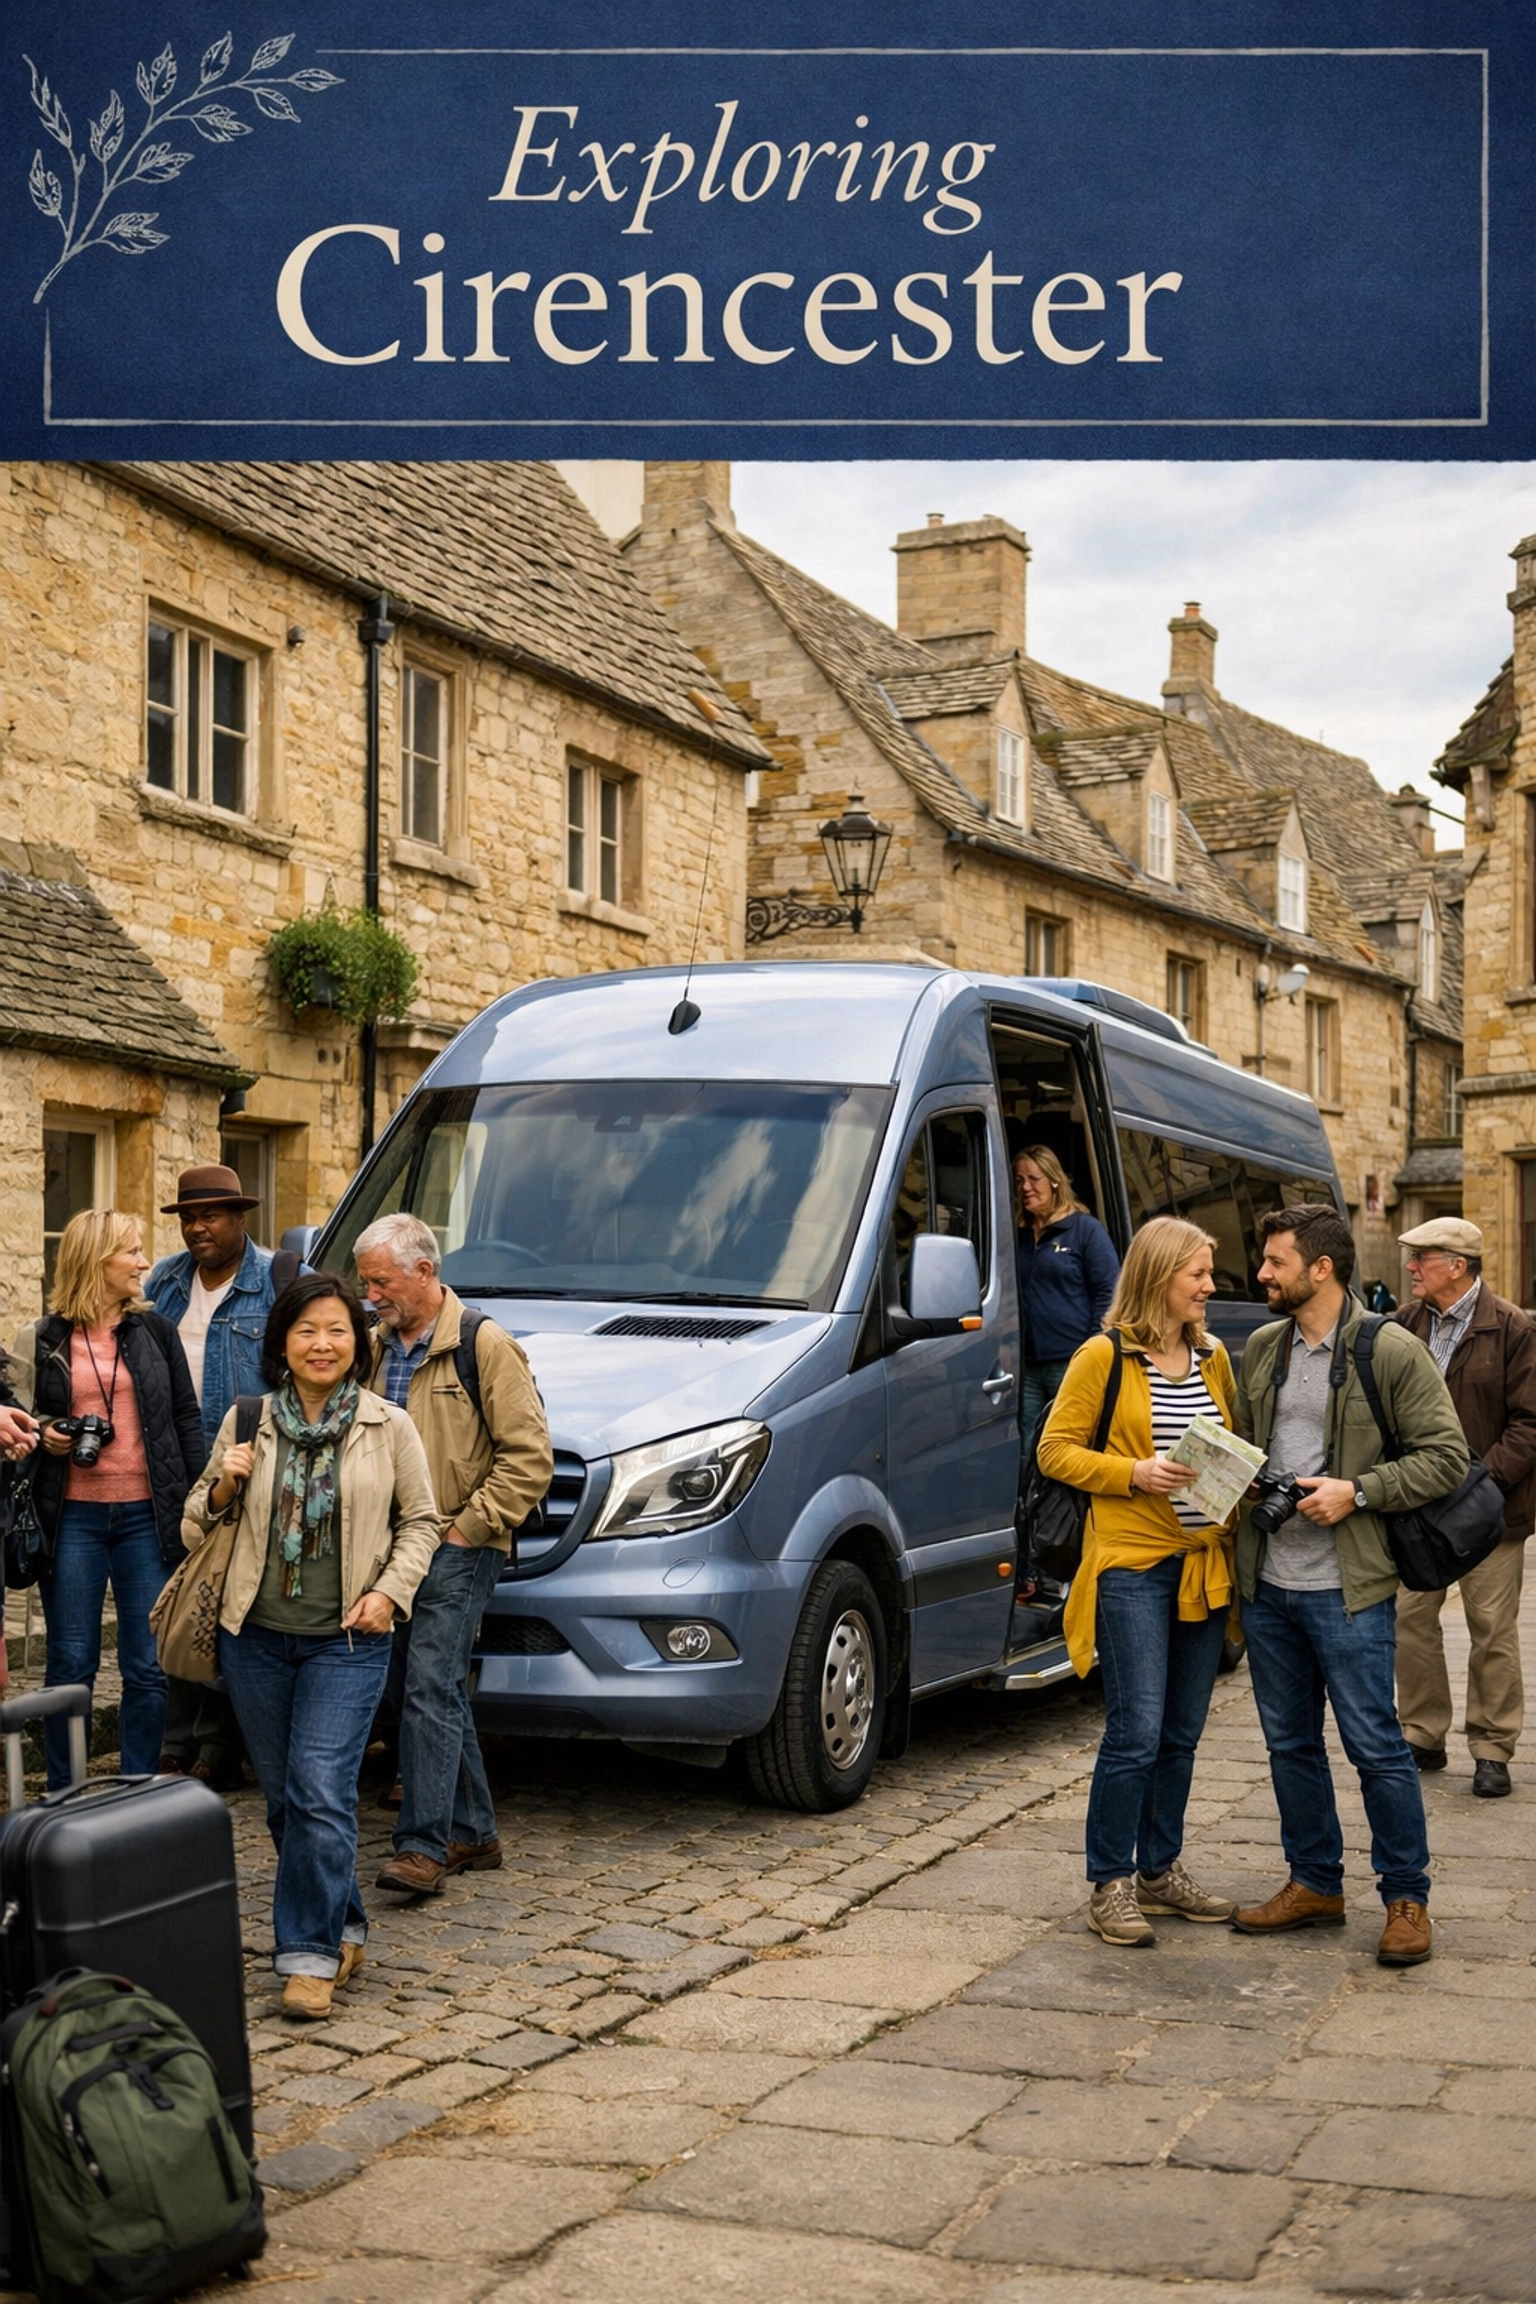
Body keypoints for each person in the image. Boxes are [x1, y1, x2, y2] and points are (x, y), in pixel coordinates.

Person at [182, 1273, 438, 2021]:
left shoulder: (389, 1426)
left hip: (348, 1644)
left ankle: (307, 1957)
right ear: (281, 1344)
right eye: (306, 1331)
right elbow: (195, 1526)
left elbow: (421, 1521)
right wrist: (223, 1487)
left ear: (358, 1344)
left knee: (322, 1791)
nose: (322, 1344)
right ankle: (344, 1921)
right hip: (254, 1640)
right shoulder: (247, 1419)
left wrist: (389, 1593)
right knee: (289, 1808)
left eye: (337, 1330)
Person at [1232, 1203, 1468, 1967]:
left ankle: (1406, 1897)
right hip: (1270, 1585)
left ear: (1321, 1268)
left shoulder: (1390, 1349)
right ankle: (1314, 1883)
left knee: (1375, 1746)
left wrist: (1356, 1491)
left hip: (1350, 1587)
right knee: (1289, 1744)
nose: (1262, 1274)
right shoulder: (1264, 1347)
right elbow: (1245, 1448)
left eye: (1275, 1262)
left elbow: (1446, 1457)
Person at [1037, 1215, 1240, 1948]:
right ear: (1160, 1277)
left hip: (1202, 1564)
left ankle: (1160, 1871)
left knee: (1181, 1734)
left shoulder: (1214, 1356)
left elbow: (1225, 1442)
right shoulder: (1104, 1356)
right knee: (1136, 1731)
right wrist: (1133, 1473)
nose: (1211, 1287)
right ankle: (1109, 1883)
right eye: (1199, 1275)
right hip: (1130, 1564)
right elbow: (1054, 1451)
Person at [354, 1213, 553, 1895]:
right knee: (430, 1688)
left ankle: (423, 1846)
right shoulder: (376, 1348)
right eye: (366, 1282)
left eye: (381, 1281)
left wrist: (468, 1528)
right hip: (397, 1550)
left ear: (424, 1272)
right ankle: (475, 1833)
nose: (371, 1294)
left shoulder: (484, 1343)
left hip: (460, 1545)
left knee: (429, 1685)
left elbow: (530, 1459)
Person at [12, 1210, 205, 1787]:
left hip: (146, 1516)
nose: (145, 1262)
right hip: (72, 1518)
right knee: (71, 1662)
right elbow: (19, 1422)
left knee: (146, 1666)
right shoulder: (42, 1338)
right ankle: (64, 1795)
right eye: (133, 1251)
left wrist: (199, 1509)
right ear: (98, 1261)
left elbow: (185, 1420)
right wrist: (45, 1431)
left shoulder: (156, 1332)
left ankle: (137, 1790)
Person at [146, 1161, 293, 1790]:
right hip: (180, 1473)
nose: (198, 1228)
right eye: (188, 1218)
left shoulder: (281, 1283)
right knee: (183, 1603)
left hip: (247, 1471)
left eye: (210, 1215)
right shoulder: (165, 1283)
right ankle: (179, 1741)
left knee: (235, 1611)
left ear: (241, 1218)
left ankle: (219, 1745)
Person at [1392, 1217, 1536, 1798]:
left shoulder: (1512, 1327)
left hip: (1491, 1512)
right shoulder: (1402, 1324)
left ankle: (1492, 1747)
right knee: (1409, 1619)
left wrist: (1479, 1482)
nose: (1410, 1268)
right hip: (1416, 1508)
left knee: (1491, 1628)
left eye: (1420, 1257)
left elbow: (1530, 1422)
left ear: (1457, 1265)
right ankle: (1422, 1734)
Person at [1015, 1144, 1120, 1440]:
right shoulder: (1017, 1234)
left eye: (1034, 1179)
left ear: (1054, 1181)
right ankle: (1029, 1490)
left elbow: (1109, 1292)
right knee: (1028, 1444)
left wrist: (1091, 1350)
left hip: (1070, 1362)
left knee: (1068, 1440)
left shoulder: (1084, 1230)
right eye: (1019, 1180)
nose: (1026, 1187)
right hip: (1027, 1365)